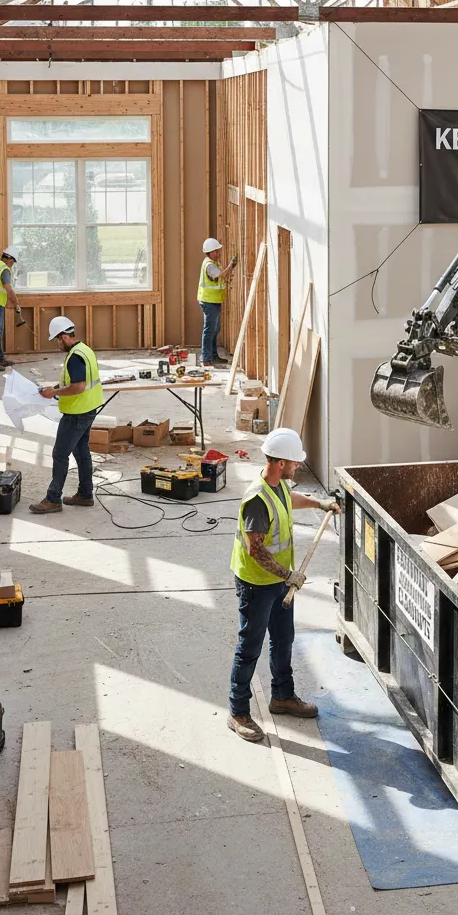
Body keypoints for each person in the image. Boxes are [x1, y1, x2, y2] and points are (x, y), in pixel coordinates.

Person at [227, 428, 340, 742]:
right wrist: (288, 575)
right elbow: (256, 550)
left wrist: (320, 505)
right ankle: (237, 712)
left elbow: (290, 499)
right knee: (249, 648)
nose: (298, 466)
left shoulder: (277, 487)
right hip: (257, 585)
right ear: (279, 462)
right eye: (294, 462)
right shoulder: (256, 500)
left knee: (284, 639)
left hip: (277, 582)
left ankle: (282, 697)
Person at [29, 316, 104, 515]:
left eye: (56, 340)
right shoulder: (85, 350)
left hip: (76, 413)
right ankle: (85, 495)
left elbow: (78, 386)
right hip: (88, 408)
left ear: (63, 336)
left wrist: (53, 393)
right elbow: (80, 382)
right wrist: (53, 388)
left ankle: (53, 499)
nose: (56, 344)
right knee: (81, 452)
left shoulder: (75, 357)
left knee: (60, 454)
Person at [197, 237, 237, 367]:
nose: (218, 253)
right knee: (209, 330)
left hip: (213, 301)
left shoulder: (215, 263)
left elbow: (223, 276)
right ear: (210, 252)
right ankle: (206, 358)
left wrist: (230, 269)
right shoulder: (209, 266)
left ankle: (213, 356)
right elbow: (223, 276)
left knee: (215, 328)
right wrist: (232, 265)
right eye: (216, 251)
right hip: (209, 301)